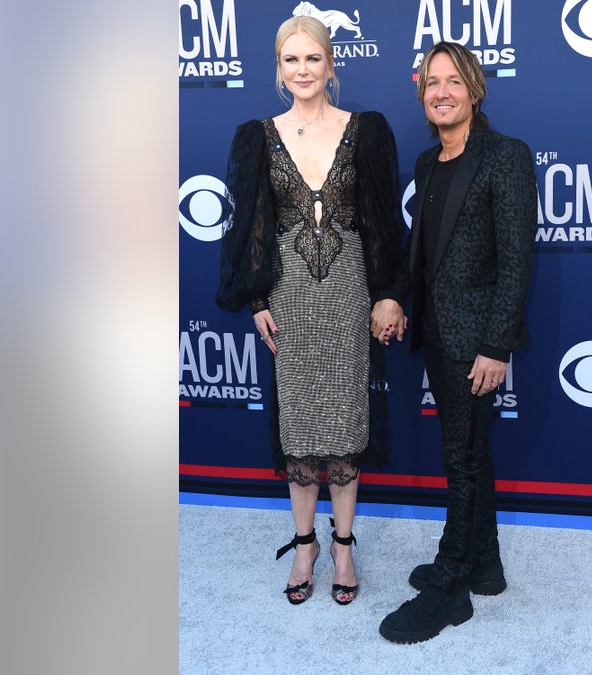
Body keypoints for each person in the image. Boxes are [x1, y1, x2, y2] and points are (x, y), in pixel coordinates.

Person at [215, 16, 402, 607]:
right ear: (278, 69)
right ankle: (305, 544)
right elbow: (251, 229)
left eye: (312, 59)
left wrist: (387, 293)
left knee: (345, 423)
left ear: (330, 65)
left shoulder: (366, 130)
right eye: (290, 61)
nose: (302, 71)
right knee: (297, 427)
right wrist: (256, 301)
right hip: (290, 295)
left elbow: (382, 226)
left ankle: (343, 544)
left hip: (348, 291)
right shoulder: (257, 136)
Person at [371, 41, 537, 643]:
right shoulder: (427, 162)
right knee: (468, 451)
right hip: (438, 334)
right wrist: (393, 294)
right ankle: (486, 567)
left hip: (477, 341)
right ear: (423, 93)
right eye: (431, 83)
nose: (440, 91)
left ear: (475, 89)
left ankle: (451, 581)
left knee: (461, 458)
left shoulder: (505, 157)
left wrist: (497, 345)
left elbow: (517, 262)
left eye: (453, 81)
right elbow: (421, 251)